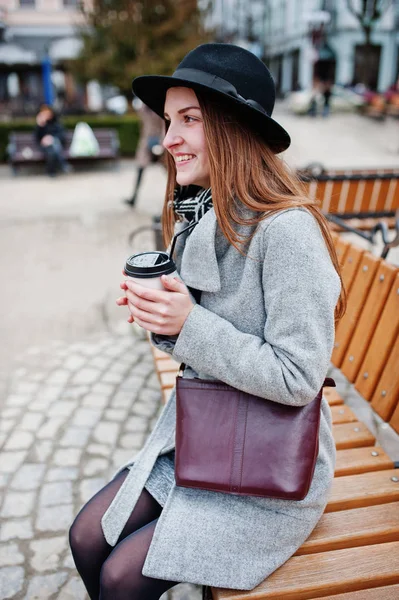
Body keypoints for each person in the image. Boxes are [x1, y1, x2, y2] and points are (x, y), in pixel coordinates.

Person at [69, 43, 345, 599]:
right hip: (207, 435)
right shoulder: (207, 213)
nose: (168, 139)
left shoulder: (286, 232)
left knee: (123, 577)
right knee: (87, 536)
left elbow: (298, 377)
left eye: (189, 120)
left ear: (234, 127)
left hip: (270, 469)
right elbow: (199, 340)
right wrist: (165, 320)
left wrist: (188, 323)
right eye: (169, 121)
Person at [124, 100, 164, 207]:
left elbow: (164, 125)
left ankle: (175, 198)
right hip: (146, 141)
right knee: (140, 169)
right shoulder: (142, 108)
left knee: (169, 170)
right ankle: (134, 197)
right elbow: (142, 125)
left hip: (159, 141)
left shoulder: (159, 107)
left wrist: (162, 142)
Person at [34, 104, 71, 177]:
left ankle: (52, 171)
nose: (46, 115)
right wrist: (40, 125)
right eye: (44, 113)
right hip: (45, 146)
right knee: (52, 150)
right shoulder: (41, 125)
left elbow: (62, 135)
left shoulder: (56, 123)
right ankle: (63, 164)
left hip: (56, 144)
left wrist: (52, 138)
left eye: (47, 112)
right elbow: (37, 138)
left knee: (54, 147)